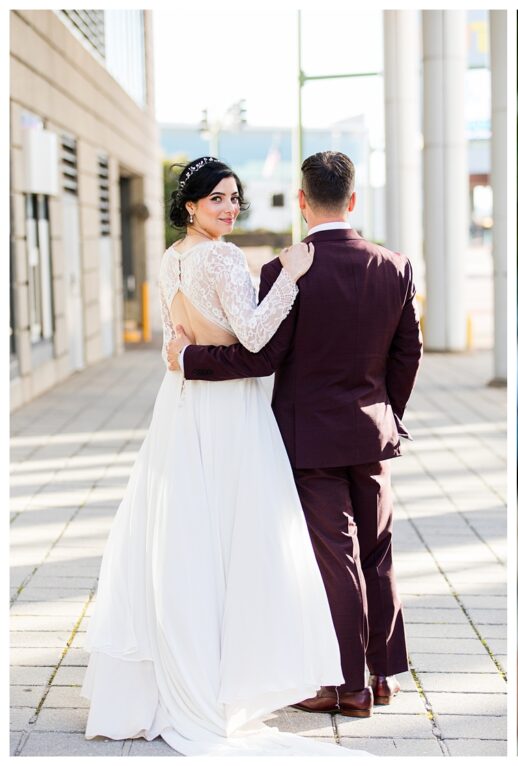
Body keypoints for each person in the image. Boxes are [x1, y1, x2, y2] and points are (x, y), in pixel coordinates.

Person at [83, 156, 367, 755]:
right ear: (190, 205)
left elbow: (173, 337)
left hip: (182, 406)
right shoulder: (220, 256)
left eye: (235, 197)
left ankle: (178, 671)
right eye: (217, 199)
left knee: (185, 536)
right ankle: (218, 676)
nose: (230, 208)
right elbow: (257, 334)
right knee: (234, 537)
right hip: (230, 410)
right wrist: (288, 273)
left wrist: (184, 354)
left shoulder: (172, 257)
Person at [167, 150, 422, 720]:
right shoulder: (396, 265)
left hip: (309, 440)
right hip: (372, 434)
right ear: (353, 200)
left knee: (337, 556)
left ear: (302, 202)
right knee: (376, 554)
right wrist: (386, 412)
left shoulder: (286, 270)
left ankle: (348, 685)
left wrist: (189, 359)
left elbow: (263, 355)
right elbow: (409, 353)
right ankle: (383, 677)